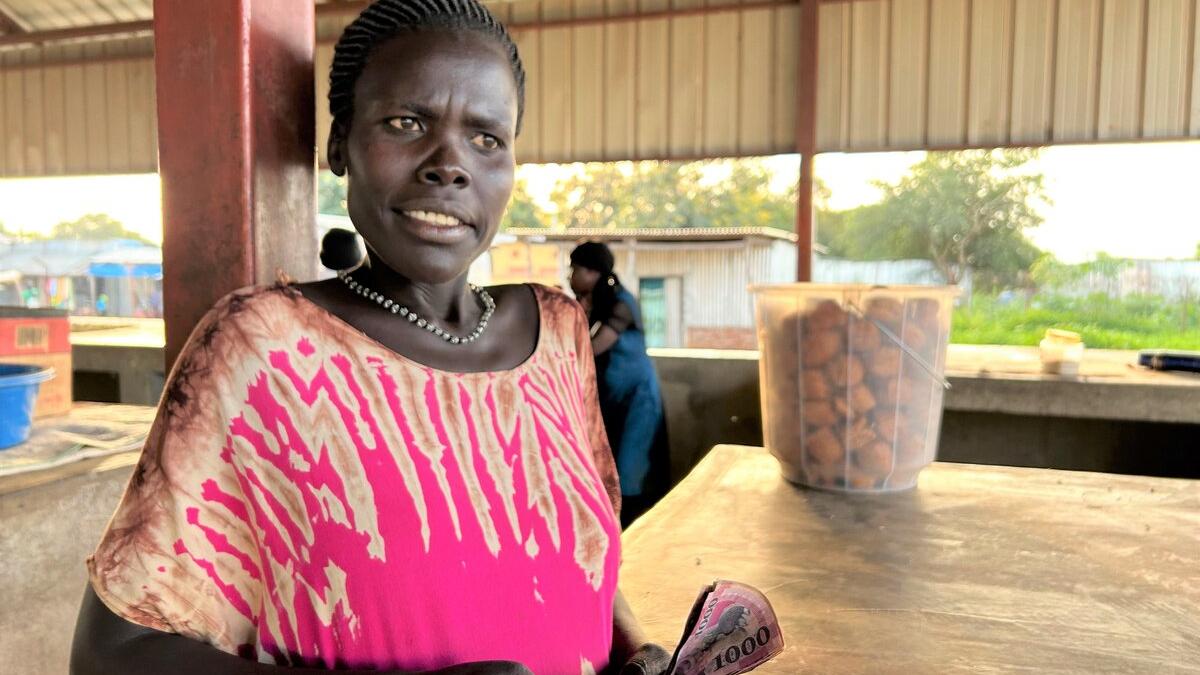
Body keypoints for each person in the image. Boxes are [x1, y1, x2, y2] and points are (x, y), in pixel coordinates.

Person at [70, 2, 670, 673]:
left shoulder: (558, 332)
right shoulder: (266, 346)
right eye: (406, 123)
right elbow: (110, 653)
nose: (450, 164)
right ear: (340, 144)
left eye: (486, 138)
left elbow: (580, 553)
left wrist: (634, 645)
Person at [568, 243, 670, 530]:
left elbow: (593, 347)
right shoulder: (600, 301)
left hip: (637, 399)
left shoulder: (621, 304)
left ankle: (632, 535)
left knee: (629, 469)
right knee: (608, 469)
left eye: (575, 269)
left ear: (593, 272)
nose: (570, 275)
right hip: (613, 399)